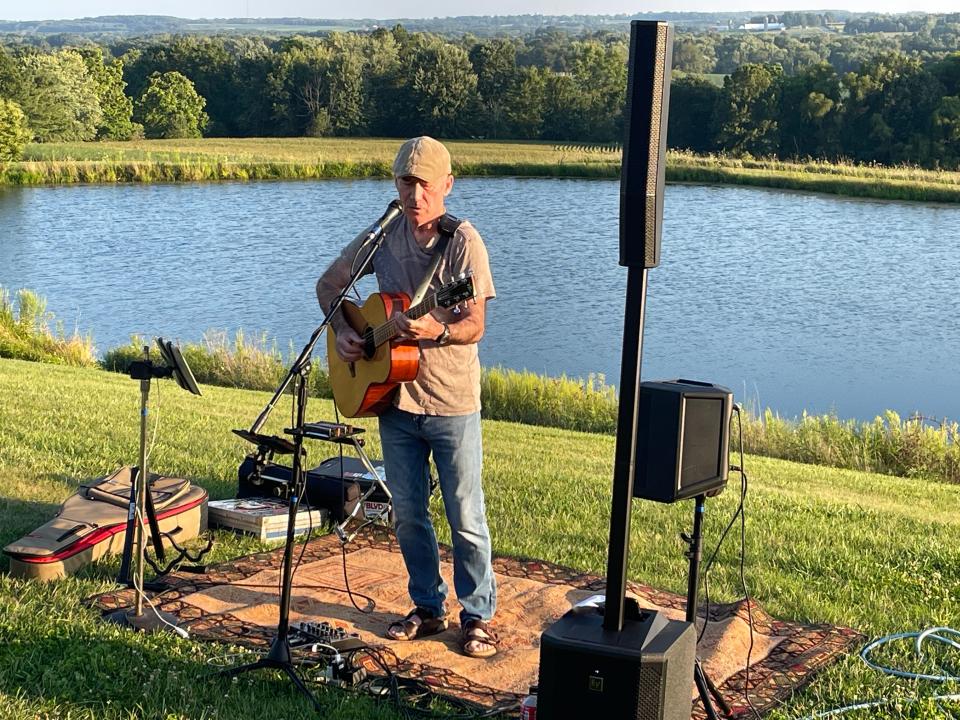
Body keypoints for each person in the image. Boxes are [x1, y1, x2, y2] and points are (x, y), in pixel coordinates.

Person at [315, 136, 499, 659]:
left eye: (423, 183)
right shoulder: (384, 234)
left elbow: (475, 323)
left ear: (446, 185)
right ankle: (427, 606)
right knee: (408, 512)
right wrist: (346, 330)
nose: (414, 193)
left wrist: (435, 332)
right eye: (405, 182)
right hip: (393, 400)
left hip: (451, 400)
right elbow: (329, 284)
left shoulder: (463, 242)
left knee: (465, 513)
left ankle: (478, 615)